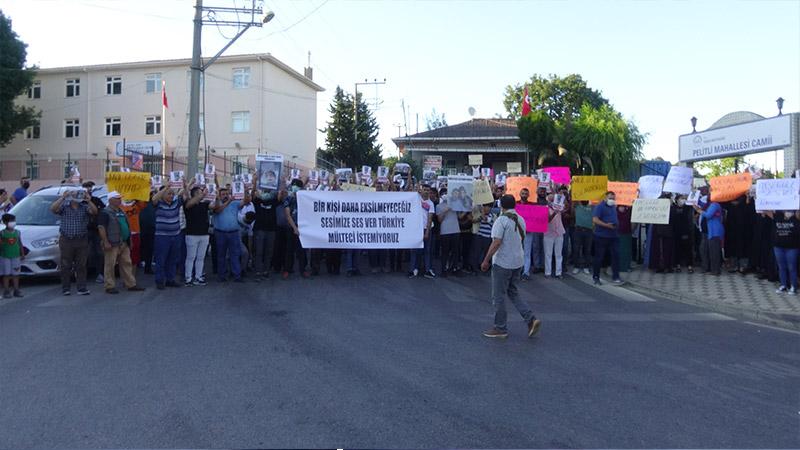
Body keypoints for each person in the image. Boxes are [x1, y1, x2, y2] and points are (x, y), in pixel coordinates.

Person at [480, 194, 542, 339]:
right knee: (513, 292)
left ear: (501, 205)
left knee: (498, 296)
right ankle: (531, 319)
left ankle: (500, 328)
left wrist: (486, 260)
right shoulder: (520, 219)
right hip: (517, 262)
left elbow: (496, 242)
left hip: (503, 262)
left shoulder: (501, 220)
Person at [51, 188, 98, 295]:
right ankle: (66, 288)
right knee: (66, 265)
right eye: (75, 194)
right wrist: (63, 197)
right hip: (67, 239)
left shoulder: (84, 207)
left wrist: (89, 200)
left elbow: (95, 212)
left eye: (79, 194)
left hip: (81, 239)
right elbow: (53, 209)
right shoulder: (64, 207)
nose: (77, 196)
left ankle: (81, 288)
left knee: (81, 265)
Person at [97, 191, 146, 294]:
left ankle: (131, 284)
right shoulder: (105, 212)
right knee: (110, 265)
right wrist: (105, 242)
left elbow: (127, 226)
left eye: (120, 198)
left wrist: (130, 240)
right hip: (112, 243)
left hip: (124, 242)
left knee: (127, 263)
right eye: (117, 198)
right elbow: (101, 228)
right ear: (110, 200)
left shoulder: (121, 211)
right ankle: (109, 286)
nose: (120, 200)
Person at [152, 184, 189, 289]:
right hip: (162, 237)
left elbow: (185, 195)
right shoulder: (158, 203)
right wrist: (166, 187)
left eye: (173, 194)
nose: (171, 195)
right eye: (169, 194)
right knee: (161, 259)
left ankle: (170, 279)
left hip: (175, 235)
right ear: (163, 195)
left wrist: (187, 185)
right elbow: (154, 199)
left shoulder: (176, 203)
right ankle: (159, 281)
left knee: (173, 259)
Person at [213, 186, 250, 282]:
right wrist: (228, 201)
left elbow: (245, 202)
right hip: (220, 233)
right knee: (221, 255)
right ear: (219, 196)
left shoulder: (234, 203)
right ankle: (222, 275)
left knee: (235, 254)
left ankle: (237, 275)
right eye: (223, 194)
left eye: (226, 194)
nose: (225, 196)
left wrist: (246, 191)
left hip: (233, 233)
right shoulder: (216, 203)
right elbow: (218, 210)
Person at [592, 191, 623, 285]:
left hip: (613, 236)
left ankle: (616, 276)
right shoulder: (600, 207)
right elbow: (595, 219)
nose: (612, 200)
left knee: (615, 256)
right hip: (601, 236)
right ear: (605, 198)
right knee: (599, 257)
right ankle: (596, 277)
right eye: (610, 198)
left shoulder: (614, 206)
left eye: (613, 198)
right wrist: (606, 225)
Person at [766, 210, 799, 294]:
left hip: (792, 247)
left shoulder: (796, 215)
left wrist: (795, 211)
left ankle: (793, 286)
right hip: (778, 246)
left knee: (792, 267)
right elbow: (764, 210)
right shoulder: (777, 215)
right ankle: (783, 285)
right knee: (781, 267)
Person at [250, 185, 280, 279]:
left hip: (271, 229)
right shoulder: (258, 200)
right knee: (258, 251)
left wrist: (281, 181)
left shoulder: (274, 200)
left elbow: (281, 195)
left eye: (269, 189)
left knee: (269, 251)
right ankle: (258, 271)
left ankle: (266, 271)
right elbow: (252, 195)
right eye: (264, 189)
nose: (267, 191)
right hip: (259, 229)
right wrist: (254, 182)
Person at [184, 185, 210, 286]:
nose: (202, 194)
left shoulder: (204, 204)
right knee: (191, 257)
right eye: (200, 192)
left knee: (201, 257)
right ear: (195, 194)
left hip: (204, 234)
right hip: (192, 234)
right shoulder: (188, 203)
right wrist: (202, 195)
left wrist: (216, 198)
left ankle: (198, 277)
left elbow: (214, 206)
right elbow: (188, 204)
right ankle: (188, 278)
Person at [283, 179, 310, 278]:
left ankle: (303, 270)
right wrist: (295, 228)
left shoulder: (305, 199)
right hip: (291, 227)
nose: (295, 187)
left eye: (297, 186)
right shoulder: (288, 199)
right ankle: (287, 270)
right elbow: (287, 215)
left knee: (302, 250)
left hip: (302, 228)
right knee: (289, 249)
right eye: (293, 185)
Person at [409, 184, 436, 278]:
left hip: (426, 229)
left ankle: (427, 270)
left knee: (427, 250)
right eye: (424, 189)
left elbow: (430, 218)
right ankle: (413, 269)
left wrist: (427, 232)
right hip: (416, 229)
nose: (426, 191)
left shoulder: (431, 204)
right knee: (414, 250)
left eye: (428, 190)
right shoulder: (416, 199)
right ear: (421, 190)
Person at [693, 195, 724, 276]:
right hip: (710, 231)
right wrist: (693, 197)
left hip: (715, 231)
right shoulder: (709, 204)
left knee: (714, 252)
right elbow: (701, 204)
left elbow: (708, 215)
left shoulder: (715, 205)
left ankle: (715, 270)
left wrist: (698, 210)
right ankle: (711, 269)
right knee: (709, 250)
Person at [436, 190, 461, 276]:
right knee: (445, 251)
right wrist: (446, 210)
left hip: (456, 230)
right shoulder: (438, 206)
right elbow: (439, 219)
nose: (445, 195)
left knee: (455, 251)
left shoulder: (455, 204)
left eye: (446, 193)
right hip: (445, 231)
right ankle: (443, 269)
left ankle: (454, 268)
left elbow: (459, 216)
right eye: (443, 194)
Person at [0, 214, 24, 298]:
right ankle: (6, 291)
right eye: (11, 221)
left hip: (16, 256)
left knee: (16, 274)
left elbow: (20, 243)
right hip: (5, 256)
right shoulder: (2, 233)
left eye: (13, 221)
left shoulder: (17, 232)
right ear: (5, 222)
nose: (13, 223)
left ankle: (16, 290)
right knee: (6, 274)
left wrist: (22, 253)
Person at [543, 193, 565, 278]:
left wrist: (561, 206)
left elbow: (565, 209)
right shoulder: (545, 208)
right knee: (548, 254)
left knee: (558, 254)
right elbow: (547, 220)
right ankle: (547, 273)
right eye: (550, 200)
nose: (552, 201)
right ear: (547, 200)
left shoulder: (559, 206)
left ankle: (558, 273)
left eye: (553, 199)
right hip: (548, 233)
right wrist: (554, 213)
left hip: (559, 232)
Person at [672, 194, 695, 273]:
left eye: (684, 198)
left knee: (688, 249)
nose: (683, 200)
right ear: (677, 199)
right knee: (677, 249)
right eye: (681, 198)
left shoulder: (688, 208)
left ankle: (690, 265)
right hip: (676, 232)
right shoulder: (673, 208)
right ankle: (678, 265)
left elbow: (690, 219)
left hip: (686, 231)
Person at [571, 200, 593, 275]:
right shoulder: (577, 205)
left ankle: (586, 267)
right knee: (576, 249)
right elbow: (572, 213)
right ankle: (576, 266)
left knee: (587, 250)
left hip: (589, 230)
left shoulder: (592, 206)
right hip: (578, 230)